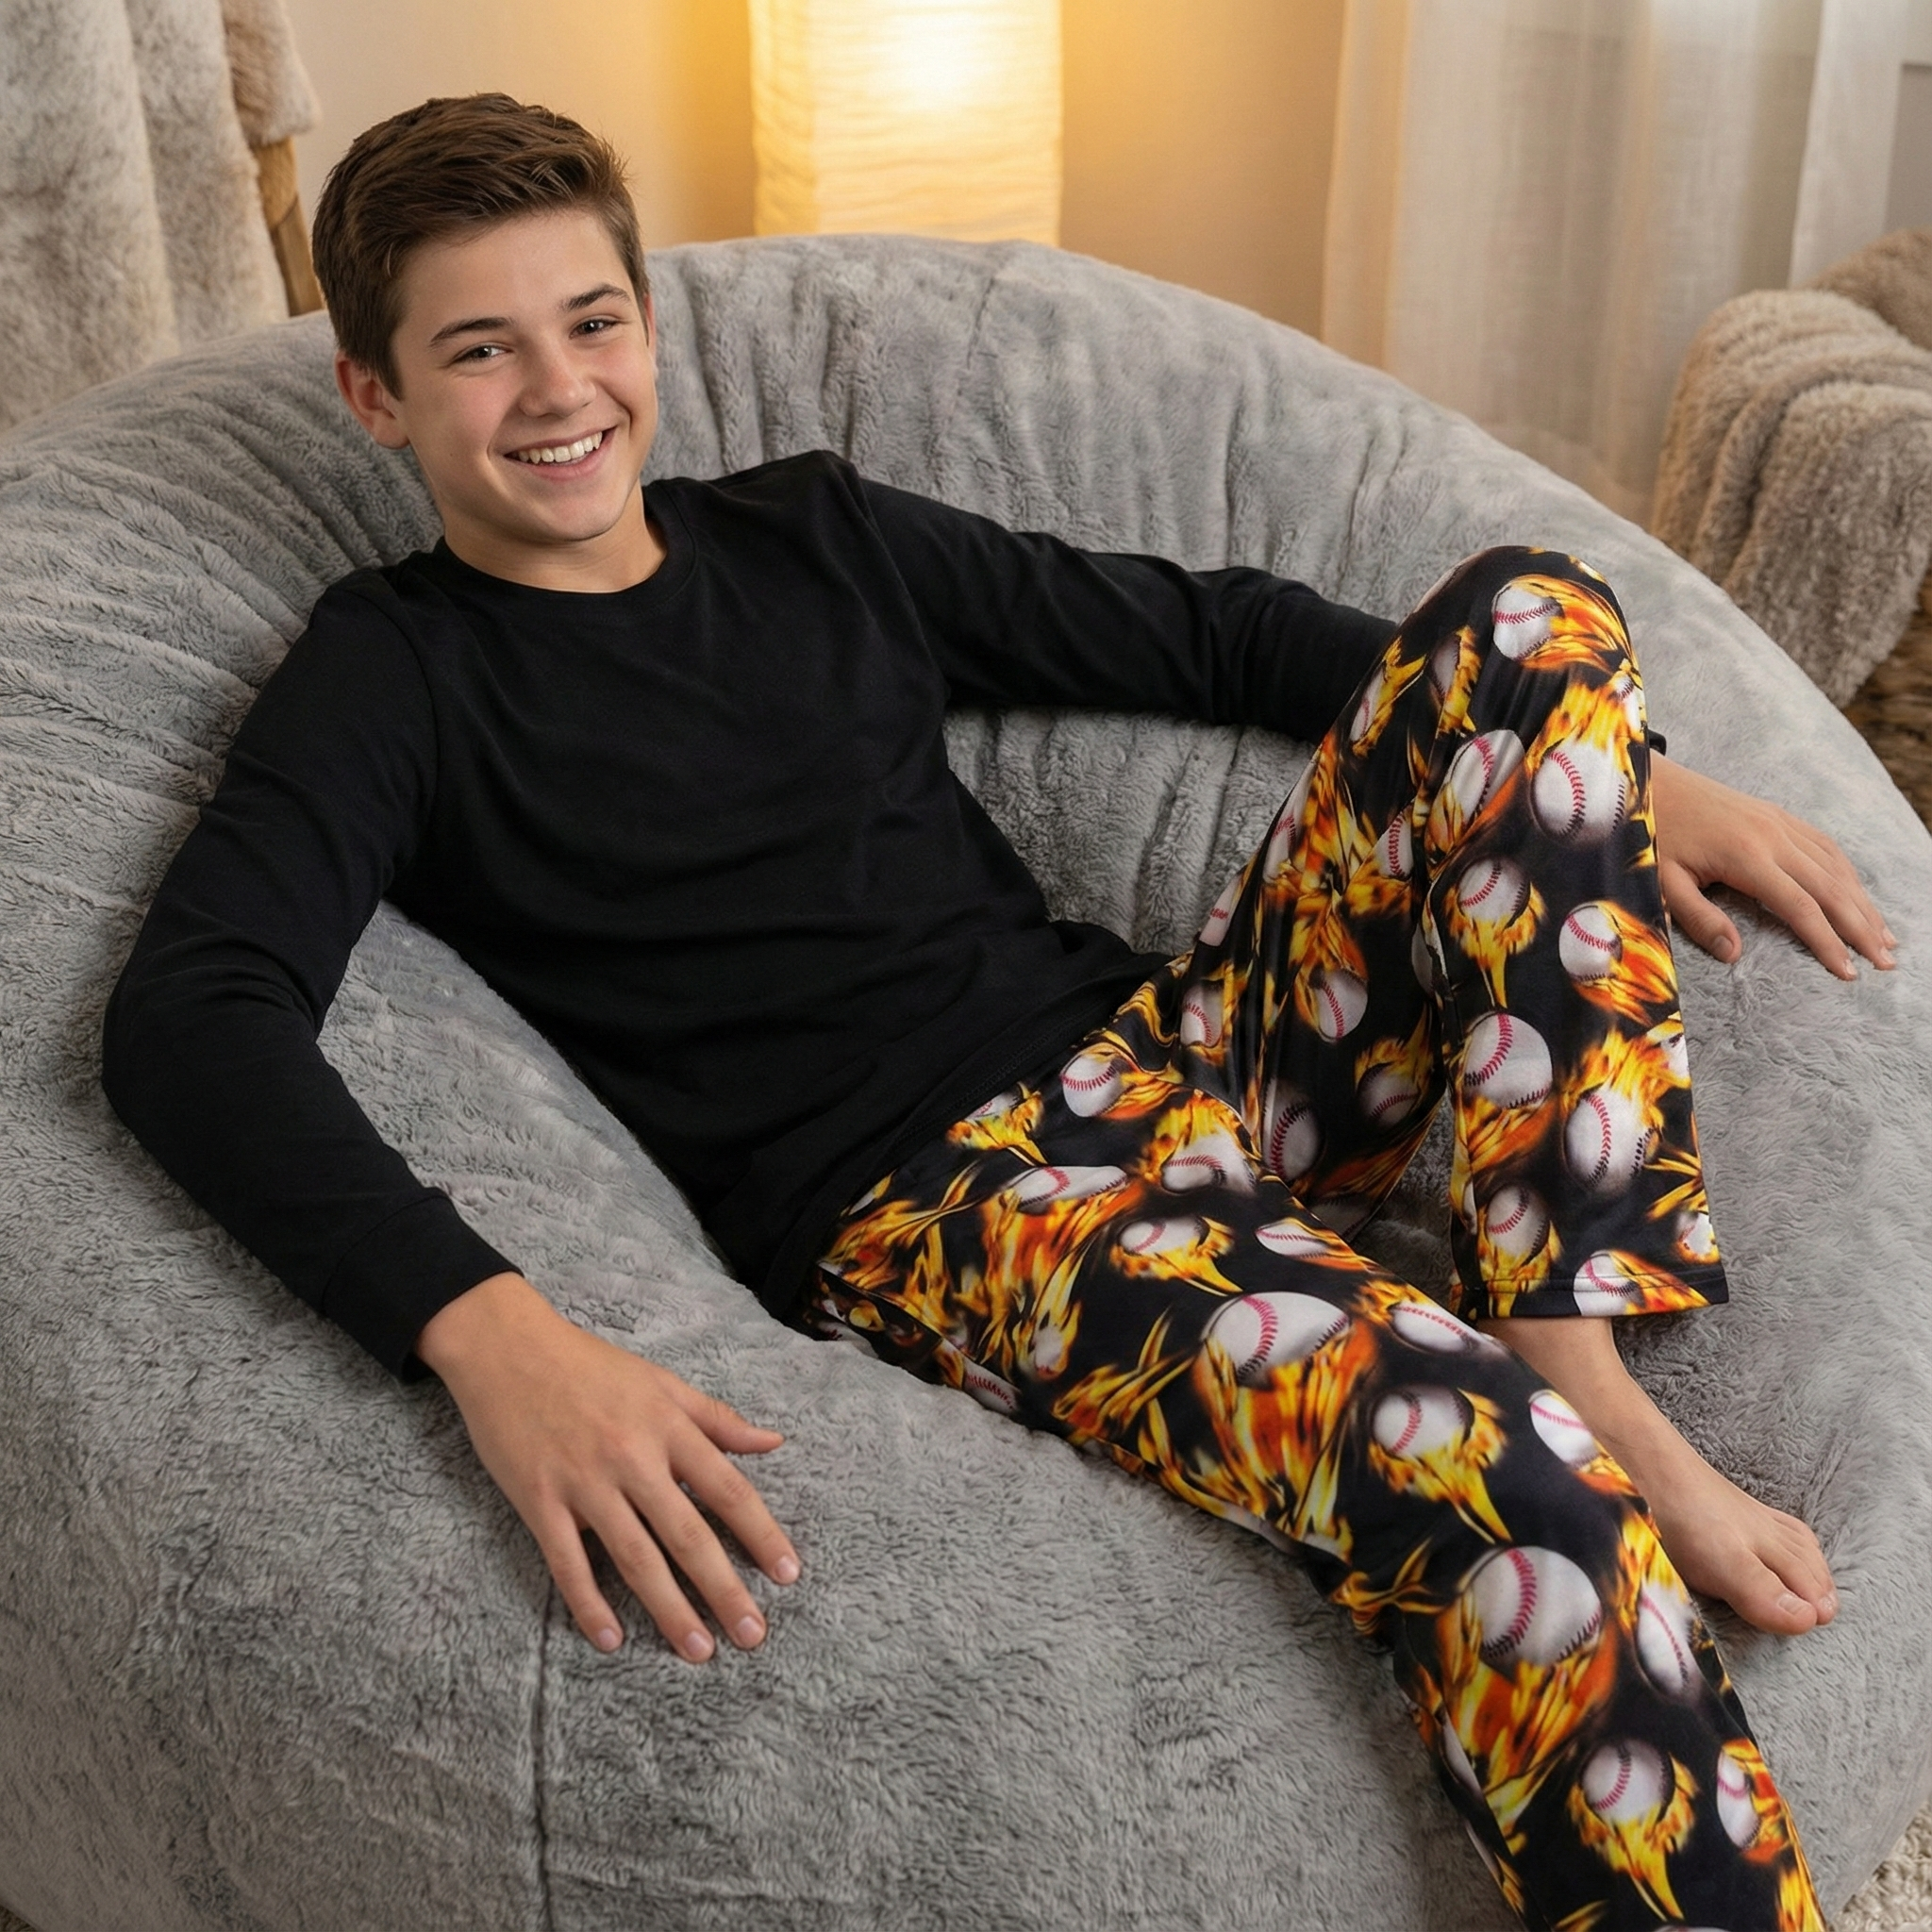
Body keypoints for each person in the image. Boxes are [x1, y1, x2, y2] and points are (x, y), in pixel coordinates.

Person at [100, 92, 1893, 1932]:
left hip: (1178, 1054)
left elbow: (1213, 632)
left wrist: (1613, 769)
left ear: (646, 326)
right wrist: (491, 1333)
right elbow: (192, 1018)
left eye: (591, 322)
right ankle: (1558, 1426)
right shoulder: (387, 674)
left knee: (1535, 615)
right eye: (479, 351)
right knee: (1511, 1497)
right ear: (376, 397)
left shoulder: (808, 533)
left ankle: (1567, 1343)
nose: (559, 389)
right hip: (958, 1213)